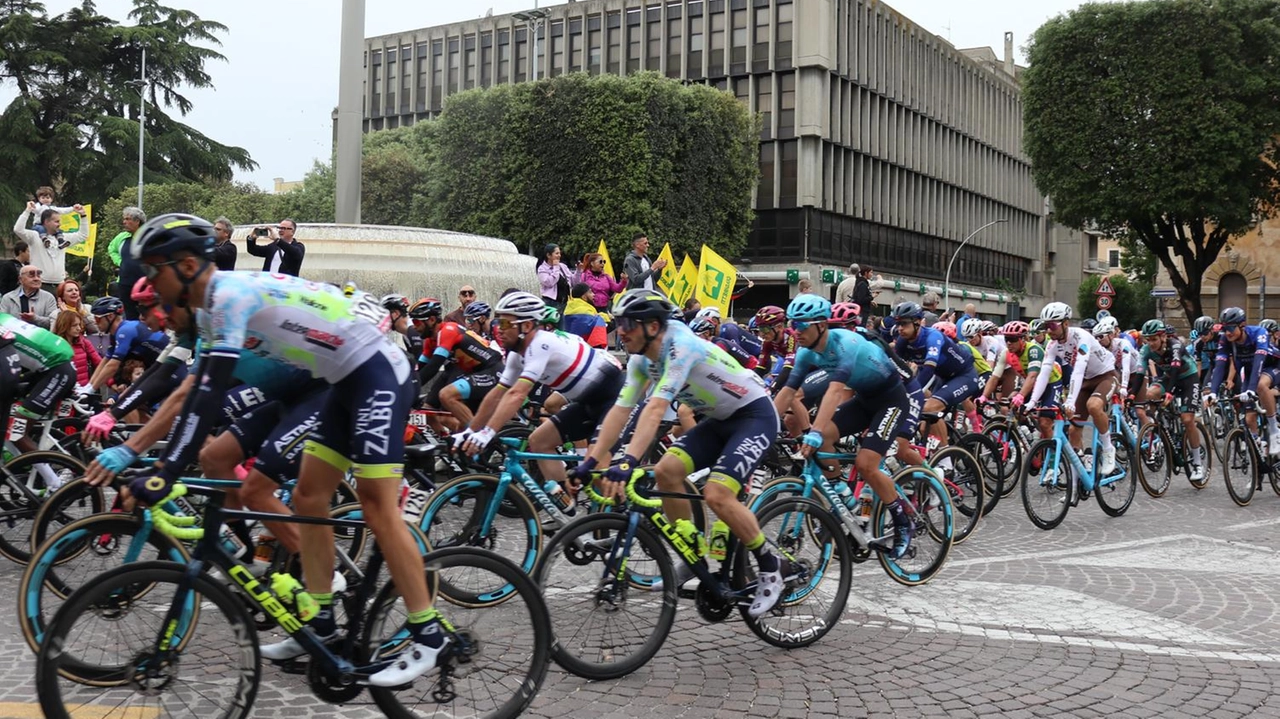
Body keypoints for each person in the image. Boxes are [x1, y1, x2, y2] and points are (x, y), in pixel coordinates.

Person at [123, 212, 446, 685]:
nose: (149, 281)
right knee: (307, 499)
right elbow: (196, 395)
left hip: (377, 371)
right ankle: (320, 619)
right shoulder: (212, 312)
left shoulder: (227, 296)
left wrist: (164, 470)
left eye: (155, 269)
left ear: (188, 264)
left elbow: (208, 395)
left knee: (378, 508)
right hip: (339, 381)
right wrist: (161, 463)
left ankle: (428, 633)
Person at [577, 289, 788, 613]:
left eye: (627, 324)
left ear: (652, 326)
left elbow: (656, 407)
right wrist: (590, 460)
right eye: (618, 323)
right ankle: (692, 551)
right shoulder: (640, 360)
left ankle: (771, 567)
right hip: (719, 419)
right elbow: (621, 411)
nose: (620, 331)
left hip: (754, 415)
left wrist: (628, 460)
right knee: (665, 471)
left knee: (718, 494)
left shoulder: (680, 345)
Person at [771, 293, 916, 559]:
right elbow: (788, 391)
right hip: (864, 400)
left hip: (891, 400)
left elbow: (835, 392)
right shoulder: (805, 353)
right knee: (824, 439)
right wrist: (764, 430)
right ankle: (845, 497)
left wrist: (813, 431)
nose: (796, 331)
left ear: (821, 325)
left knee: (866, 464)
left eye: (802, 325)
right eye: (793, 325)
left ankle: (903, 520)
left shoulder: (845, 343)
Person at [458, 292, 624, 509]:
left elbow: (516, 395)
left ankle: (625, 519)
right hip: (588, 403)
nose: (499, 328)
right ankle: (567, 505)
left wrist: (488, 433)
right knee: (539, 442)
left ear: (526, 326)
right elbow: (497, 394)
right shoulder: (517, 355)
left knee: (595, 469)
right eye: (498, 321)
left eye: (506, 322)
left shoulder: (540, 343)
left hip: (614, 399)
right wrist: (471, 431)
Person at [1028, 302, 1119, 474]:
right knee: (1073, 430)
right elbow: (1044, 373)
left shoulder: (1081, 337)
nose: (1049, 330)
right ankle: (1081, 476)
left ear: (1066, 323)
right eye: (1046, 326)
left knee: (1093, 406)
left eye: (1052, 325)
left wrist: (1070, 400)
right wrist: (1032, 401)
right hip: (1086, 381)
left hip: (1106, 375)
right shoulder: (1052, 344)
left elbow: (1078, 369)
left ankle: (1108, 448)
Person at [1138, 318, 1205, 481]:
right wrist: (1132, 395)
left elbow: (1175, 369)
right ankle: (1160, 426)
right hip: (1169, 377)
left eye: (1154, 339)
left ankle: (1197, 463)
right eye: (1148, 339)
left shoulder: (1175, 345)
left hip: (1188, 378)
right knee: (1149, 395)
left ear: (1163, 337)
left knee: (1187, 419)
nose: (1151, 343)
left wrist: (1169, 393)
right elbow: (1140, 374)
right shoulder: (1146, 350)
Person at [1207, 306, 1280, 454]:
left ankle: (1274, 431)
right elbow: (1220, 365)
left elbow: (1259, 361)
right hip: (1250, 372)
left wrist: (1251, 390)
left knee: (1260, 386)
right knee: (1249, 418)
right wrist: (1213, 392)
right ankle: (1257, 451)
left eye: (1231, 328)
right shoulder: (1225, 339)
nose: (1227, 332)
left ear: (1242, 326)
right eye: (1224, 328)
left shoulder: (1259, 333)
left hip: (1271, 366)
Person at [12, 202, 86, 291]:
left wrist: (83, 215)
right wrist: (27, 211)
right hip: (39, 284)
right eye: (56, 221)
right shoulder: (35, 236)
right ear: (46, 222)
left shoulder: (63, 238)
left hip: (60, 284)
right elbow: (18, 229)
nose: (60, 224)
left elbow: (83, 235)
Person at [53, 310, 100, 387]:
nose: (79, 328)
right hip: (63, 392)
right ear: (64, 326)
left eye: (79, 325)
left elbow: (99, 363)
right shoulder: (55, 346)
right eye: (74, 325)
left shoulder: (84, 342)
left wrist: (112, 384)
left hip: (83, 391)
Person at [563, 283, 609, 348]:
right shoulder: (584, 311)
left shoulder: (570, 308)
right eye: (590, 292)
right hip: (583, 349)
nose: (593, 295)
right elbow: (595, 322)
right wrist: (608, 317)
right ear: (584, 297)